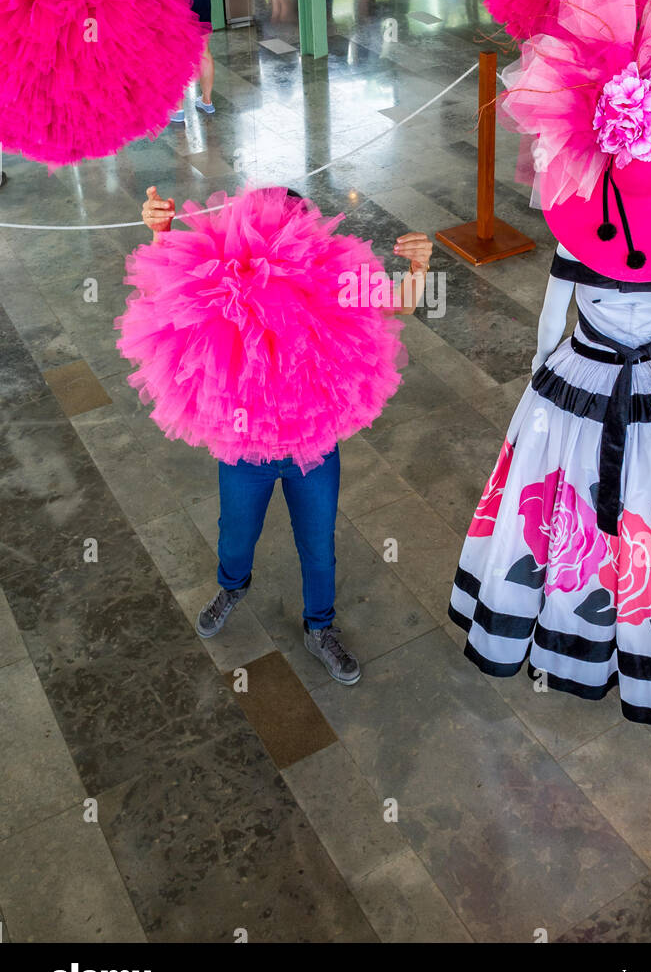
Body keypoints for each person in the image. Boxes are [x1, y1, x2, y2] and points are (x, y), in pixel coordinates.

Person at [449, 0, 651, 726]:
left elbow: (552, 322)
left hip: (578, 381)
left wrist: (546, 371)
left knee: (557, 504)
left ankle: (557, 625)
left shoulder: (586, 238)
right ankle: (647, 634)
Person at [140, 184, 433, 684]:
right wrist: (161, 232)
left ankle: (320, 626)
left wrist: (421, 268)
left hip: (313, 448)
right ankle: (232, 585)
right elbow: (169, 295)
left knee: (318, 544)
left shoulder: (331, 277)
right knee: (236, 535)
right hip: (244, 449)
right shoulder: (225, 279)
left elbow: (398, 306)